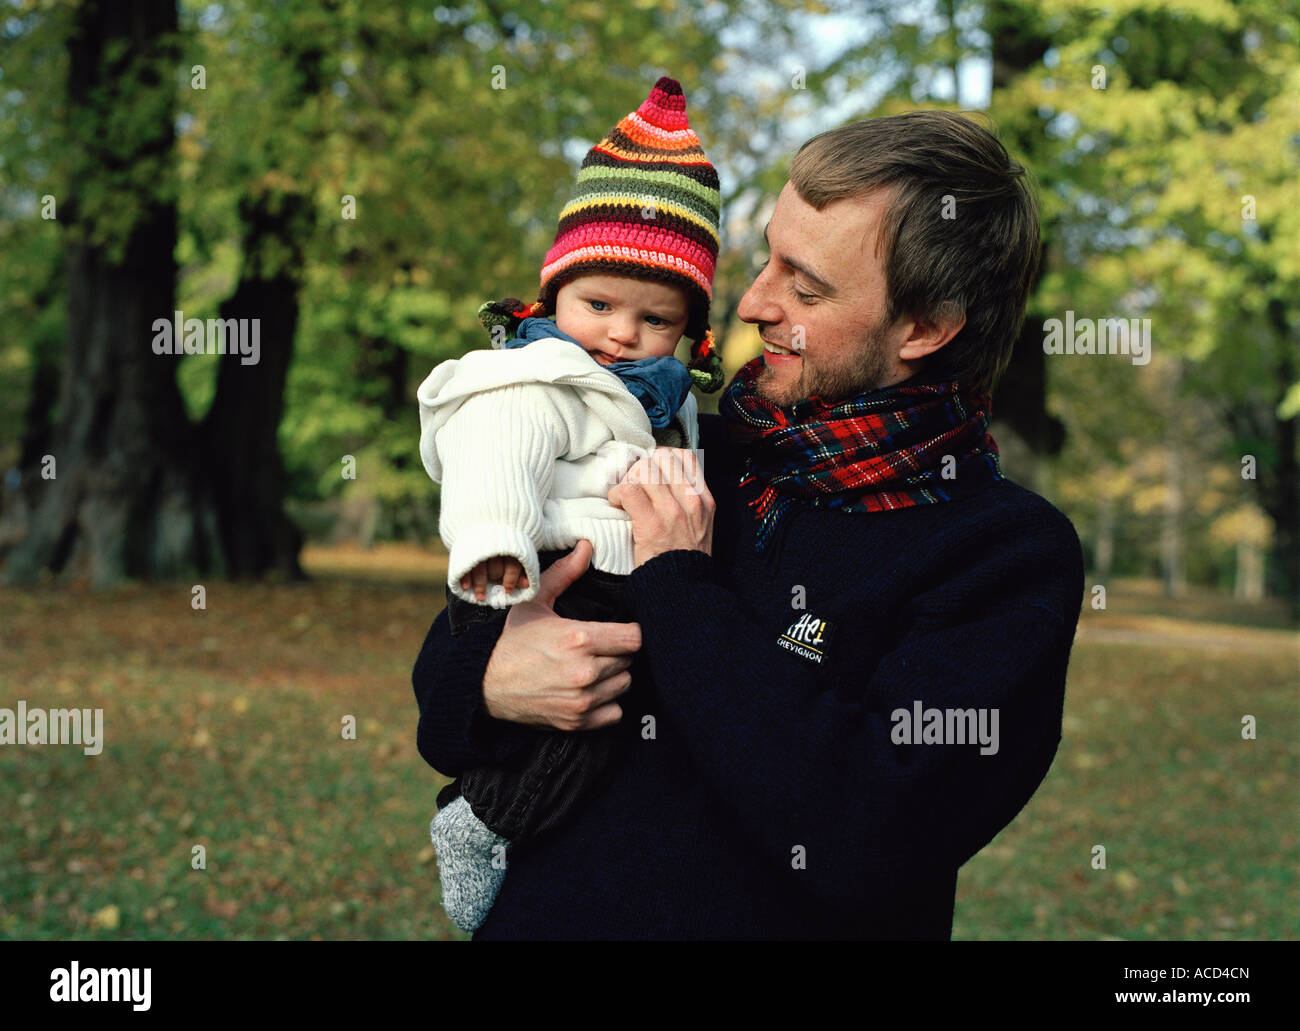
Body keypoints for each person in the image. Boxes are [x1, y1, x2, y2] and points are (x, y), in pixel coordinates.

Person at [413, 108, 1086, 940]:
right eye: (766, 255)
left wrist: (677, 584)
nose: (755, 301)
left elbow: (867, 834)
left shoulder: (1003, 556)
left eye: (805, 286)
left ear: (926, 327)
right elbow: (439, 687)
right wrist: (487, 678)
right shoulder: (690, 447)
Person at [415, 77, 725, 931]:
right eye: (598, 305)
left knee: (601, 734)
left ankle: (502, 812)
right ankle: (481, 822)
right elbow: (492, 461)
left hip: (624, 582)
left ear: (687, 329)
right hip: (539, 566)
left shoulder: (665, 395)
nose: (621, 333)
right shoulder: (536, 377)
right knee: (566, 740)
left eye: (654, 318)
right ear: (553, 295)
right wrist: (494, 555)